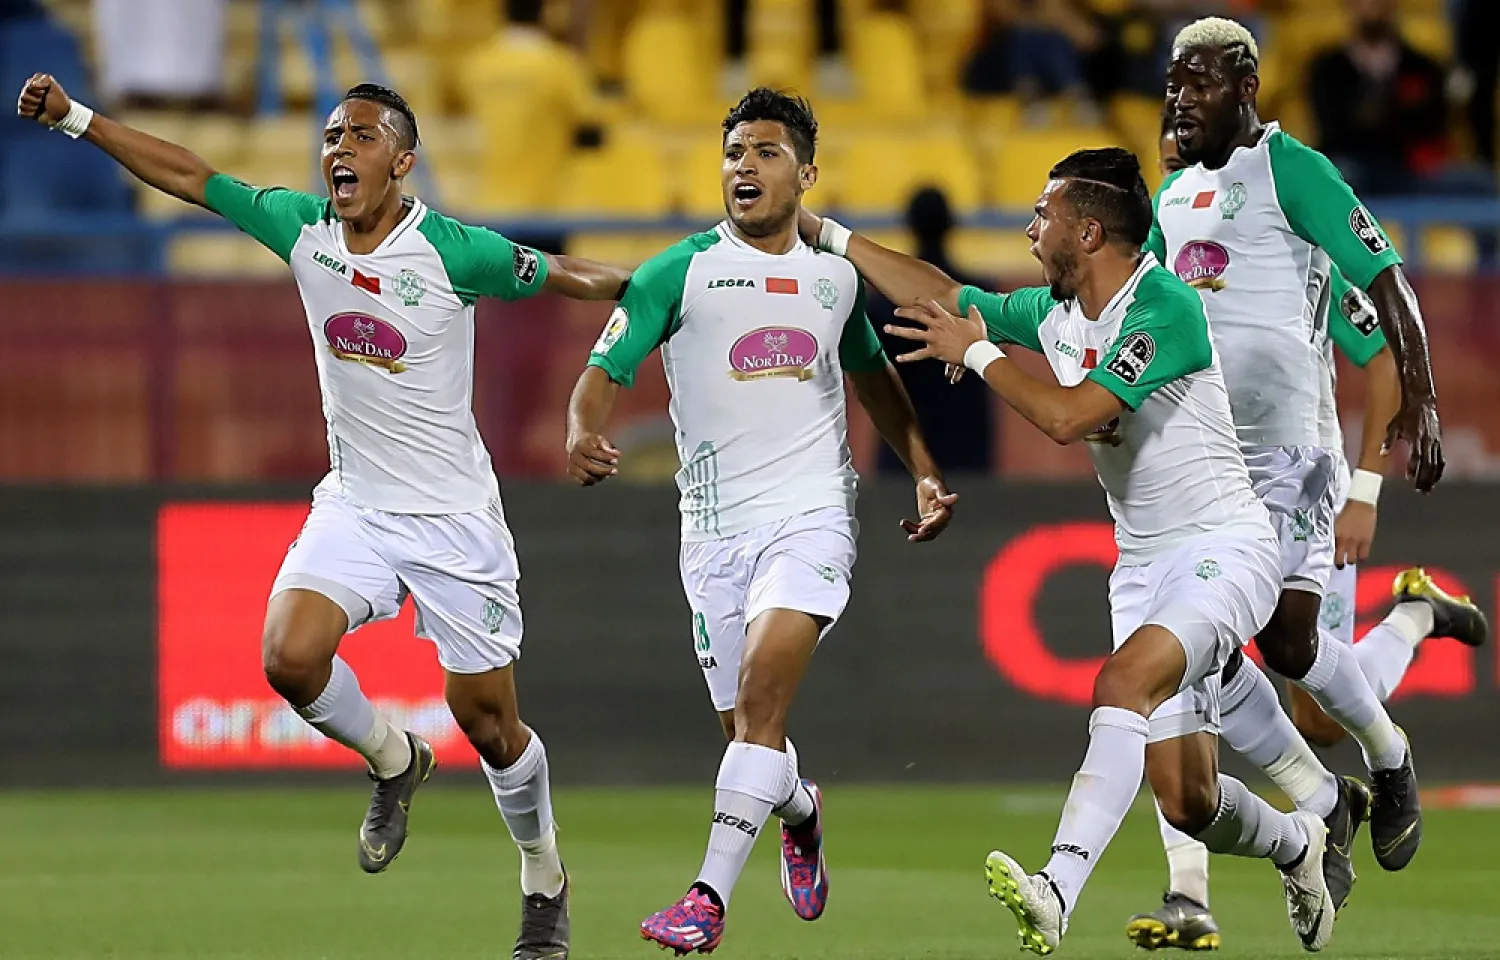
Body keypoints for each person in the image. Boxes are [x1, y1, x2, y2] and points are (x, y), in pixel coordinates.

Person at [15, 73, 635, 960]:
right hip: (357, 503)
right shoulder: (302, 229)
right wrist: (76, 118)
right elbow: (194, 178)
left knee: (492, 727)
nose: (340, 148)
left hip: (455, 518)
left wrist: (665, 291)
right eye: (334, 134)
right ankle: (393, 759)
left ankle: (544, 877)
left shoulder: (455, 251)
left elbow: (565, 274)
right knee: (288, 657)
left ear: (404, 162)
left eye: (364, 136)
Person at [803, 146, 1336, 954]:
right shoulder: (1057, 316)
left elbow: (1067, 416)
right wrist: (827, 234)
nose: (1030, 228)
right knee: (1188, 800)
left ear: (1087, 232)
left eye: (1043, 215)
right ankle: (1301, 844)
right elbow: (947, 295)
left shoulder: (1164, 308)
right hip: (1142, 567)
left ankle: (1056, 888)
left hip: (1226, 545)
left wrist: (976, 353)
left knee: (1121, 684)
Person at [564, 88, 956, 955]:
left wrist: (924, 469)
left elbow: (876, 382)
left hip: (812, 516)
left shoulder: (835, 277)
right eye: (735, 151)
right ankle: (801, 808)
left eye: (766, 151)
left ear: (806, 173)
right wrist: (583, 428)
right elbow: (606, 366)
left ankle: (707, 896)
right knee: (747, 734)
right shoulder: (679, 270)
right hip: (711, 534)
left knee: (762, 698)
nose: (745, 165)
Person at [1126, 113, 1490, 953]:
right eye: (1168, 144)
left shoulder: (1294, 243)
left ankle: (1413, 620)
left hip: (1306, 475)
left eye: (1188, 137)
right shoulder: (1169, 238)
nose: (1178, 153)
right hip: (1211, 478)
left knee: (1308, 697)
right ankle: (1191, 890)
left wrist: (1366, 488)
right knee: (1191, 660)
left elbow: (1384, 359)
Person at [1153, 16, 1445, 878]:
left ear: (1245, 89)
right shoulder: (1172, 199)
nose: (1180, 99)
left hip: (1293, 453)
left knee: (1284, 645)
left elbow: (1387, 278)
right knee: (1211, 646)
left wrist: (1419, 402)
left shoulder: (1294, 170)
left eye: (1198, 84)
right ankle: (1328, 796)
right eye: (1173, 83)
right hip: (1205, 456)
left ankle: (1384, 763)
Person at [873, 187, 994, 474]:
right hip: (967, 438)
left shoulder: (881, 303)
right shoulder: (980, 297)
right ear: (951, 225)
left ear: (909, 226)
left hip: (905, 442)